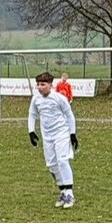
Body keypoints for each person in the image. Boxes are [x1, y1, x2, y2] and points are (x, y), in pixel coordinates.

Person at [28, 71, 79, 208]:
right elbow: (32, 115)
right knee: (52, 165)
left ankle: (70, 194)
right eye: (38, 84)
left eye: (43, 84)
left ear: (50, 85)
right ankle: (63, 191)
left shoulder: (59, 98)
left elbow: (69, 115)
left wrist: (72, 134)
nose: (40, 87)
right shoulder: (36, 99)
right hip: (47, 136)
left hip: (61, 134)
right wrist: (31, 131)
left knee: (62, 161)